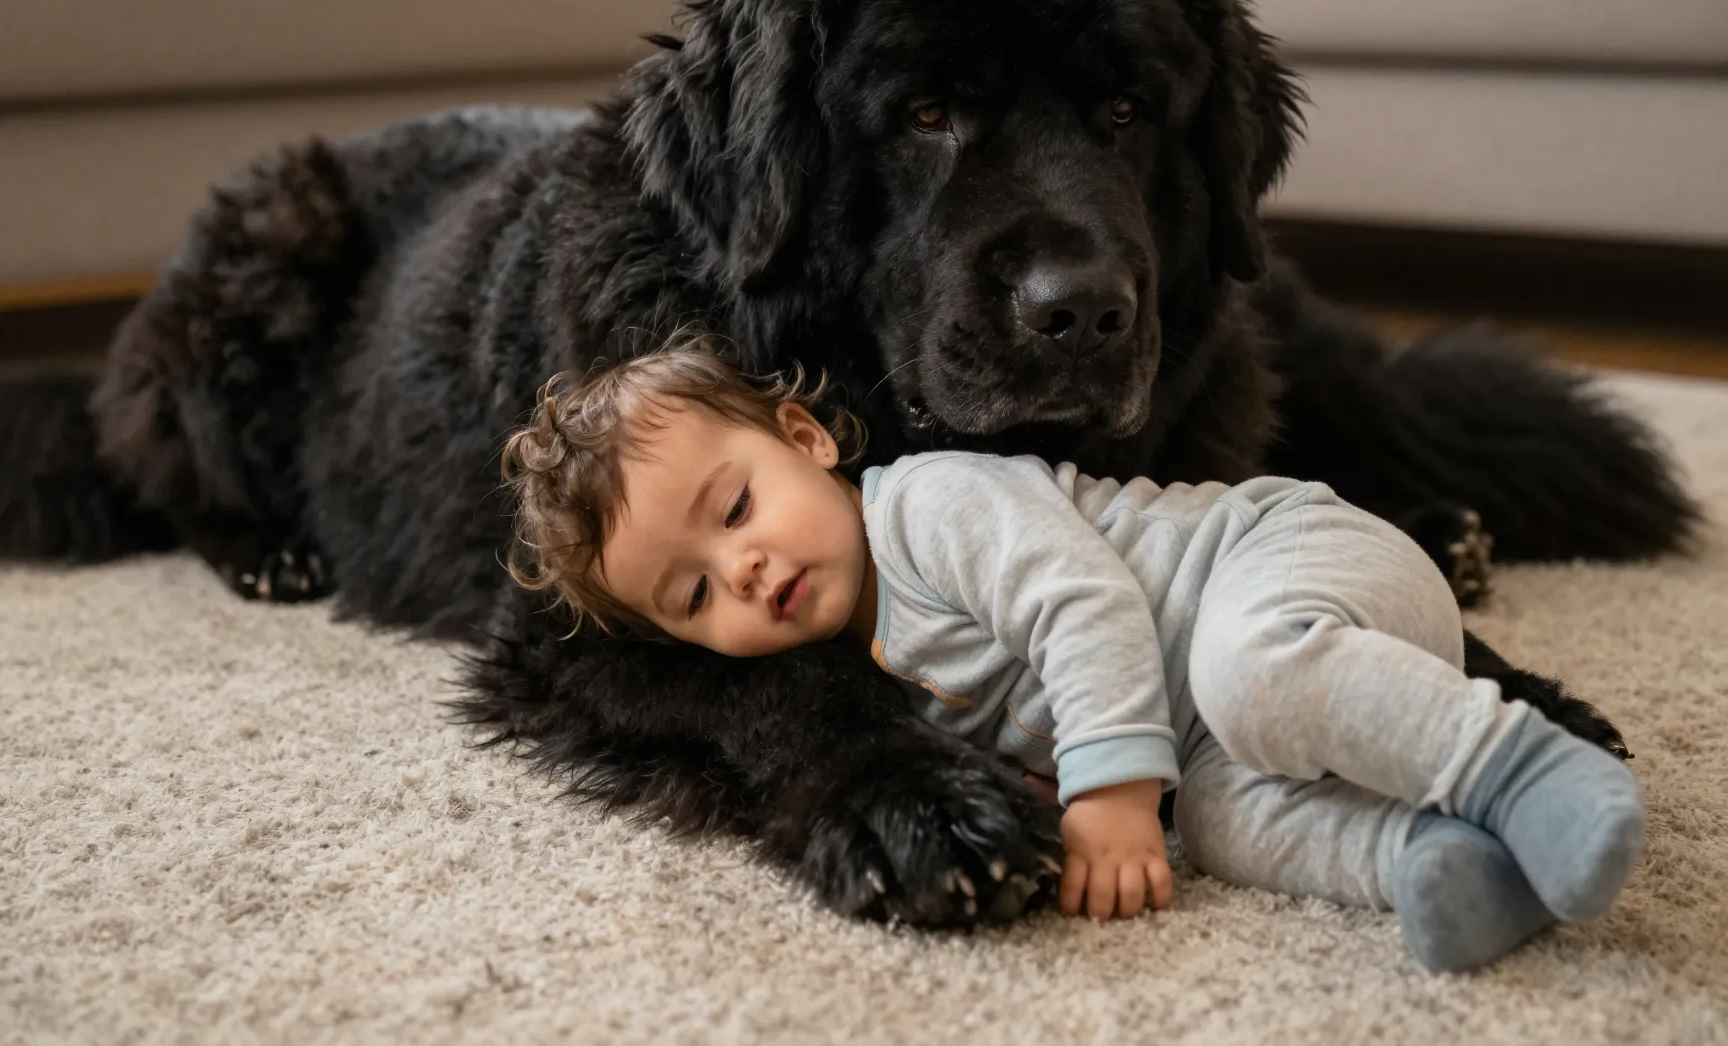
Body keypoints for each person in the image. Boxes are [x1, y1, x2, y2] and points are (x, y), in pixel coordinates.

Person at [501, 341, 1646, 974]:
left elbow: (1085, 608)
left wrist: (1106, 795)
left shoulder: (930, 506)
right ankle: (1437, 862)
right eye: (693, 592)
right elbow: (1027, 716)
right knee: (1221, 823)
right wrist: (1066, 788)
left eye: (737, 505)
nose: (742, 568)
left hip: (1293, 565)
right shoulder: (877, 657)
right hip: (1218, 718)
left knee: (1244, 680)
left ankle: (1525, 767)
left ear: (806, 441)